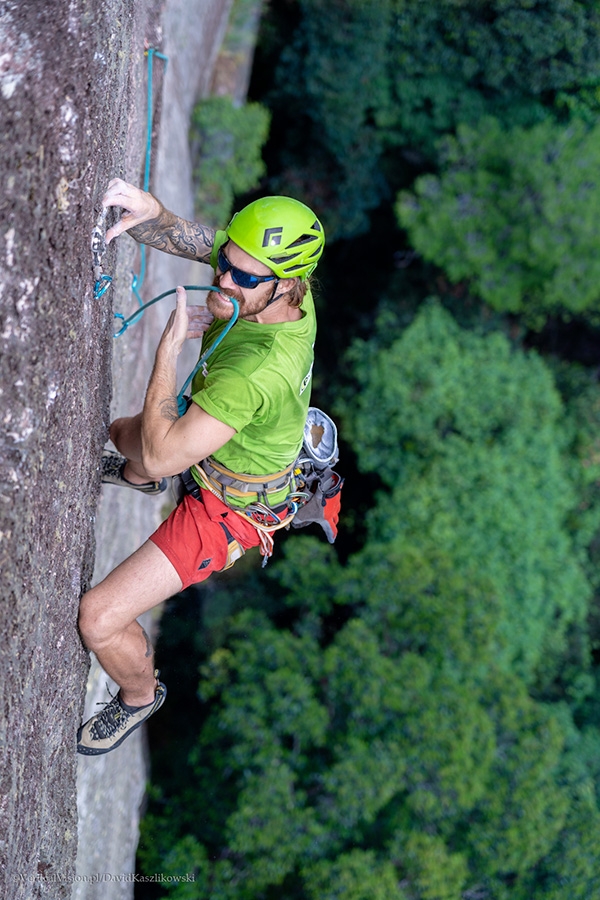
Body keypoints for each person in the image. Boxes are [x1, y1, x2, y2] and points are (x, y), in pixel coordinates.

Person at [77, 178, 325, 755]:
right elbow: (201, 242)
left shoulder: (257, 374)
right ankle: (140, 479)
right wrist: (151, 213)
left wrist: (167, 354)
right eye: (228, 265)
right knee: (121, 438)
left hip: (231, 508)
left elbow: (166, 447)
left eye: (242, 278)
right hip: (218, 433)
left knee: (99, 618)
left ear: (287, 285)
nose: (224, 279)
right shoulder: (282, 285)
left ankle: (139, 697)